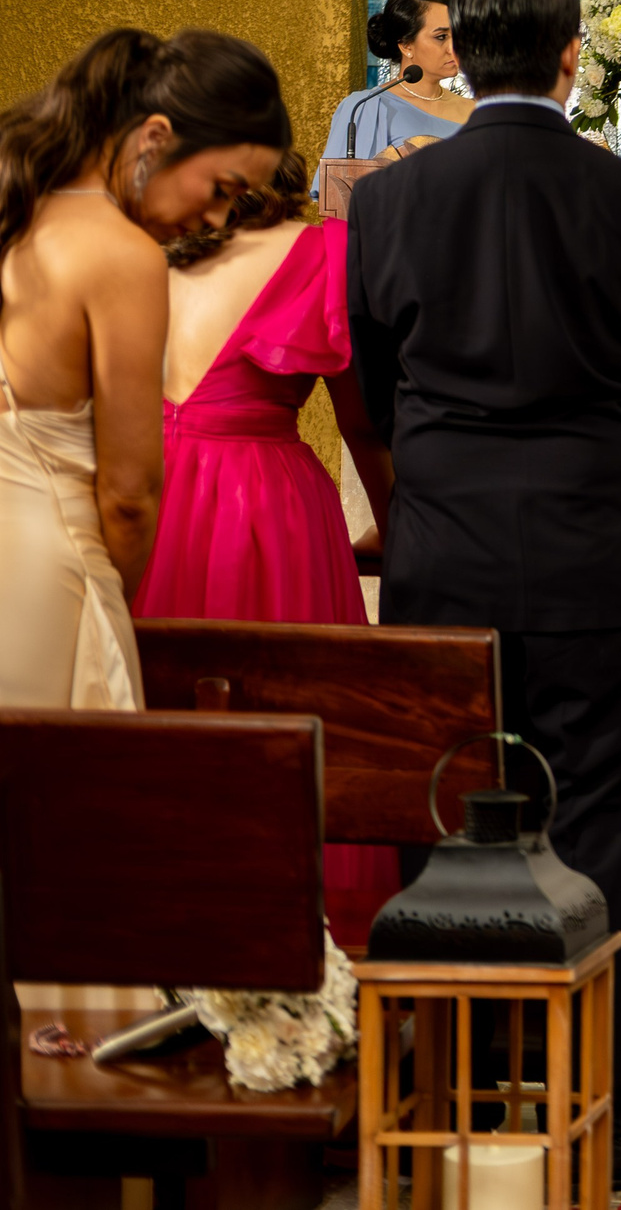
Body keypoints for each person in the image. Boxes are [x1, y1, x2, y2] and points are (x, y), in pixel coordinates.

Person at [347, 0, 621, 1184]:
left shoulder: (390, 204)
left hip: (442, 552)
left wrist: (443, 487)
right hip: (601, 551)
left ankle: (447, 1099)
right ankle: (594, 1112)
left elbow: (379, 383)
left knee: (446, 819)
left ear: (463, 49)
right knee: (600, 828)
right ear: (571, 58)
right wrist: (606, 488)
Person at [139, 151, 400, 924]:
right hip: (262, 506)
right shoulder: (322, 249)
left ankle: (162, 913)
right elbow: (360, 424)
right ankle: (294, 925)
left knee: (158, 720)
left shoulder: (147, 241)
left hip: (149, 491)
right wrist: (396, 528)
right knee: (287, 718)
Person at [0, 29, 288, 711]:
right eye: (222, 187)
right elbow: (130, 497)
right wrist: (109, 598)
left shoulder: (16, 208)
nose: (216, 216)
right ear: (155, 136)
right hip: (45, 577)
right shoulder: (120, 255)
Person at [325, 0, 474, 159]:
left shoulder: (475, 109)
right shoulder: (365, 107)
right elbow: (335, 184)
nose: (454, 48)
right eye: (441, 37)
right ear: (406, 45)